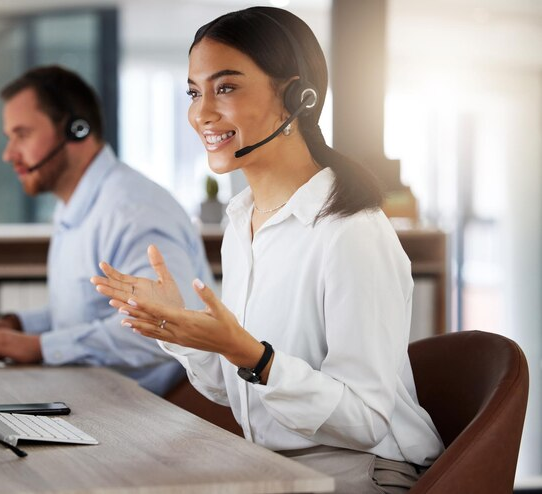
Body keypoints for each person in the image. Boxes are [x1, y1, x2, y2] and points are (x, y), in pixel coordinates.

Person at [91, 7, 443, 492]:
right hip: (280, 467)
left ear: (297, 97)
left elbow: (364, 420)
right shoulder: (244, 222)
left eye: (226, 87)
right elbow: (231, 390)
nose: (202, 113)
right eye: (194, 92)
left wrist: (254, 356)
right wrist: (180, 327)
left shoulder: (352, 232)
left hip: (366, 472)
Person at [0, 66, 213, 396]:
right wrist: (15, 326)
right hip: (100, 396)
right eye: (9, 137)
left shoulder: (134, 210)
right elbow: (87, 313)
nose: (8, 153)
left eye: (22, 134)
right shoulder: (75, 205)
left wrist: (40, 347)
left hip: (154, 410)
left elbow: (164, 327)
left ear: (77, 130)